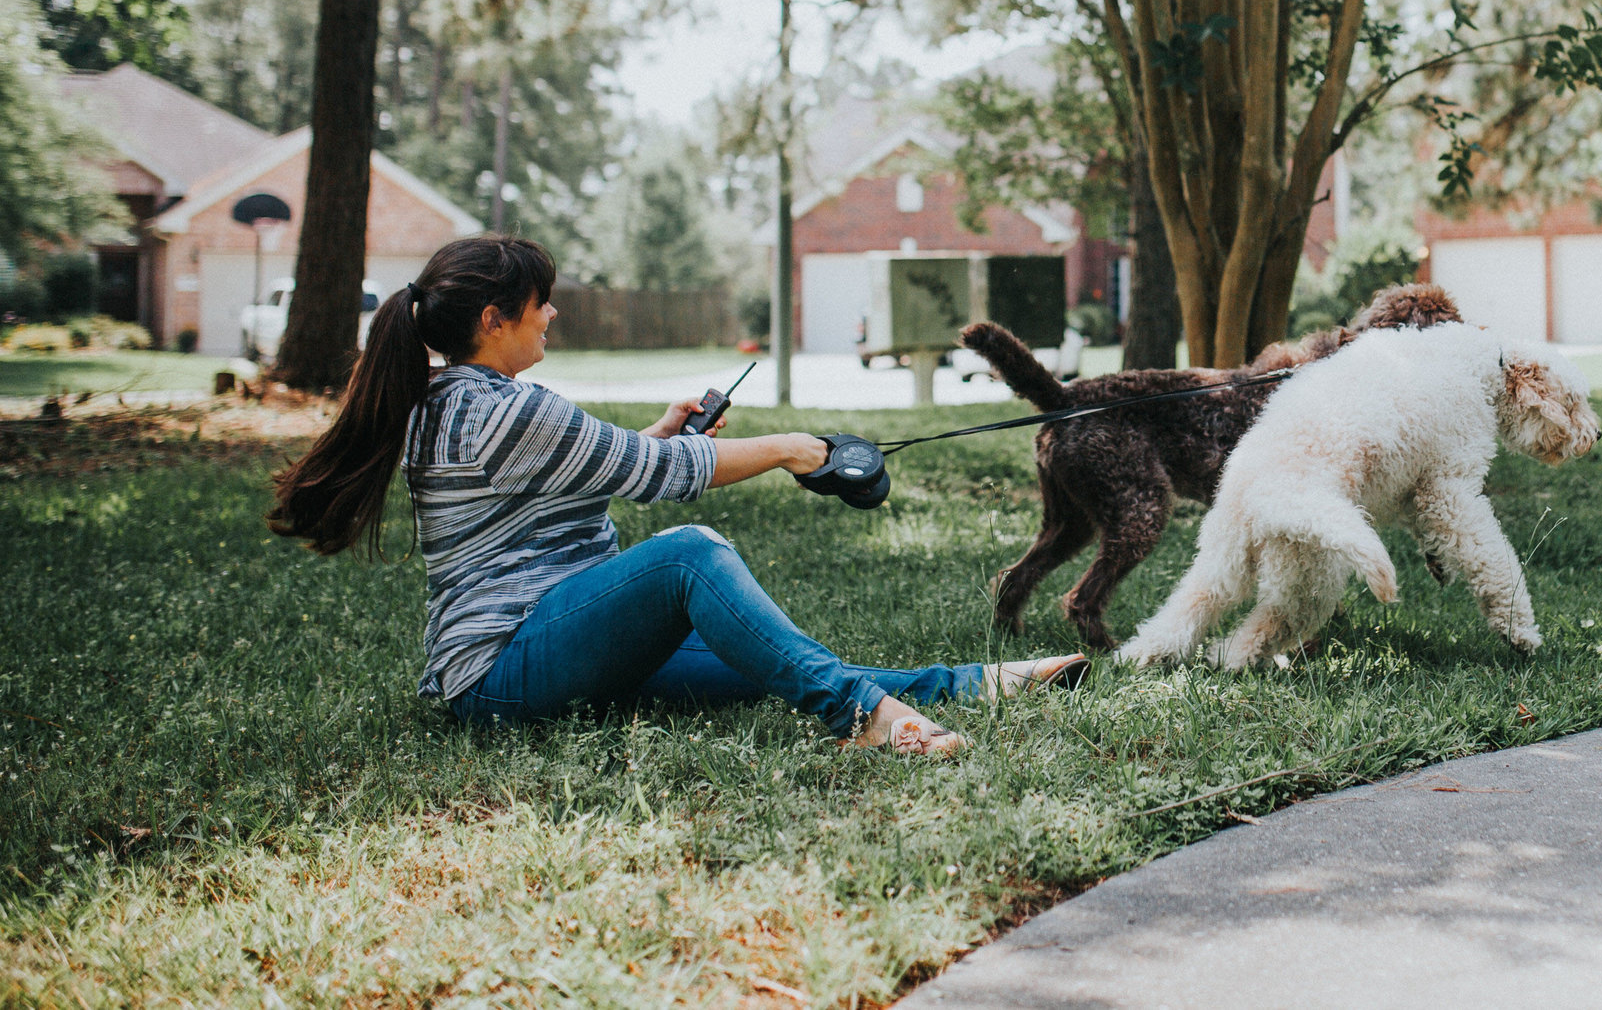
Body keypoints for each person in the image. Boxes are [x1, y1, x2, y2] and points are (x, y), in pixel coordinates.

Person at [265, 234, 1085, 755]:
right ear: (492, 317)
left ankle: (973, 682)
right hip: (505, 670)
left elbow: (607, 465)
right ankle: (866, 722)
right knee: (693, 551)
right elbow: (658, 480)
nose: (551, 311)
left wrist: (661, 433)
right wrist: (797, 449)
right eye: (537, 301)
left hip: (554, 649)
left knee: (775, 662)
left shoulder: (458, 400)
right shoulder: (502, 412)